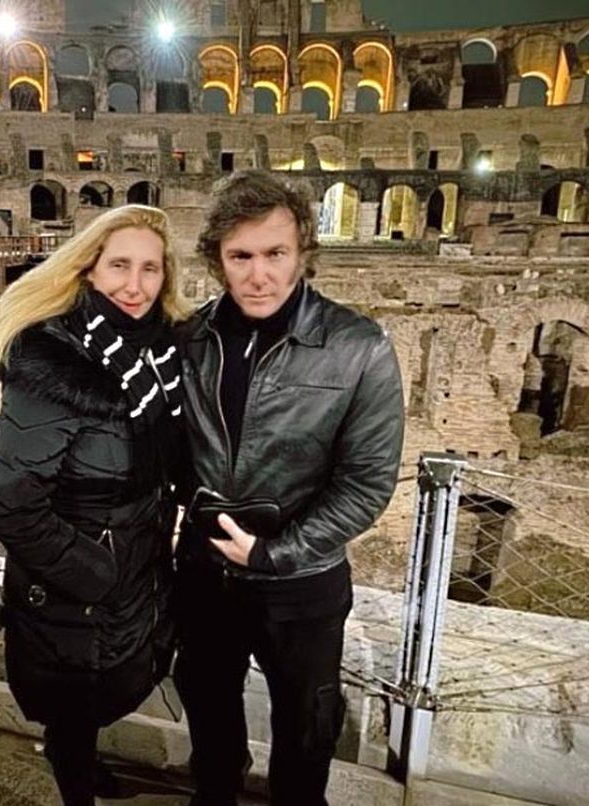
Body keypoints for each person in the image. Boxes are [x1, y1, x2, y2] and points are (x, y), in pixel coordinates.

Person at [174, 171, 405, 805]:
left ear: (304, 251)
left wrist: (275, 554)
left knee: (306, 729)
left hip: (301, 583)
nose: (259, 275)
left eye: (275, 254)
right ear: (217, 261)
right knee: (208, 713)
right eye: (240, 256)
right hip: (205, 575)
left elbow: (367, 481)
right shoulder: (190, 338)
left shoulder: (358, 347)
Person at [0, 204, 190, 806]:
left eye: (150, 269)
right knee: (76, 694)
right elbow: (15, 509)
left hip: (137, 558)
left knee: (98, 691)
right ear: (88, 269)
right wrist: (99, 574)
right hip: (80, 574)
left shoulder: (162, 356)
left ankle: (75, 758)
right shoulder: (54, 364)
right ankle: (75, 783)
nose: (135, 285)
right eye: (119, 265)